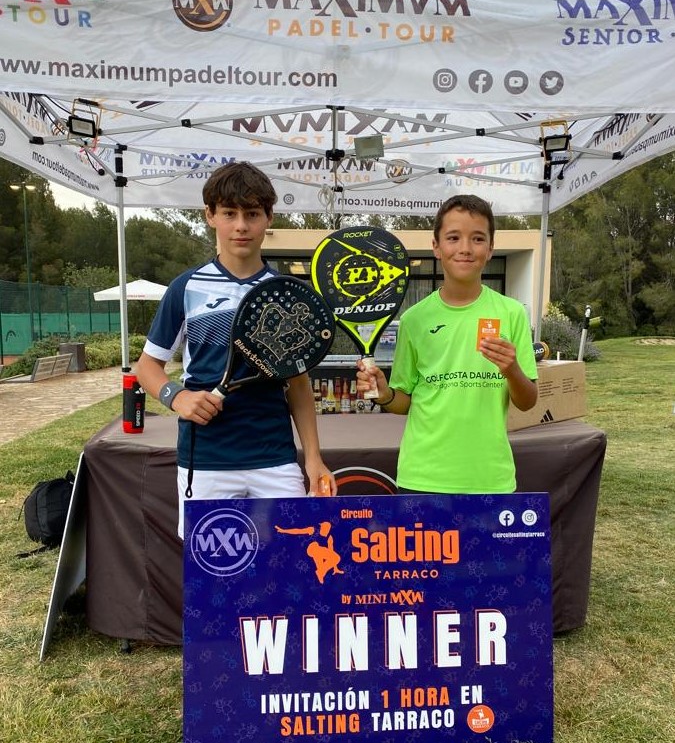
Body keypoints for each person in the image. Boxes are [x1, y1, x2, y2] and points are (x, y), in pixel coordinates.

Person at [136, 161, 335, 539]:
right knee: (215, 583)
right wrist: (177, 398)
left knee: (286, 571)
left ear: (268, 218)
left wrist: (313, 458)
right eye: (229, 213)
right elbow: (147, 366)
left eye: (252, 214)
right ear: (211, 216)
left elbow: (298, 385)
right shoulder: (186, 287)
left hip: (275, 458)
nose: (241, 225)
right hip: (207, 459)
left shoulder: (285, 292)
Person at [356, 195, 538, 495]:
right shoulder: (414, 319)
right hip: (422, 478)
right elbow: (405, 401)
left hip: (489, 479)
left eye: (477, 238)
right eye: (453, 238)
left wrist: (512, 370)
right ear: (436, 247)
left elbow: (527, 400)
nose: (465, 248)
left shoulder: (512, 313)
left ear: (491, 248)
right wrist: (385, 393)